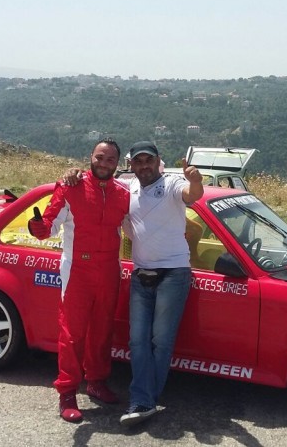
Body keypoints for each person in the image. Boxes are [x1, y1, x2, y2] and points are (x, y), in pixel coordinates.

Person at [64, 140, 204, 427]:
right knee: (137, 341)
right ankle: (144, 399)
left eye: (148, 160)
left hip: (174, 273)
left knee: (160, 341)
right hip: (141, 274)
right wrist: (73, 173)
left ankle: (144, 399)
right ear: (131, 165)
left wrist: (196, 181)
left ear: (158, 161)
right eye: (138, 161)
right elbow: (98, 190)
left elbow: (192, 195)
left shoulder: (173, 183)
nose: (144, 165)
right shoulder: (128, 189)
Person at [28, 139, 130, 423]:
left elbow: (139, 225)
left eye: (110, 160)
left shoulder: (124, 193)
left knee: (102, 331)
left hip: (110, 270)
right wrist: (37, 226)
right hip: (77, 271)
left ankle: (96, 382)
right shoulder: (70, 186)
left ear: (117, 164)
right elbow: (48, 227)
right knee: (72, 334)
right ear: (91, 157)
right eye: (100, 157)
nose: (104, 163)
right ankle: (67, 392)